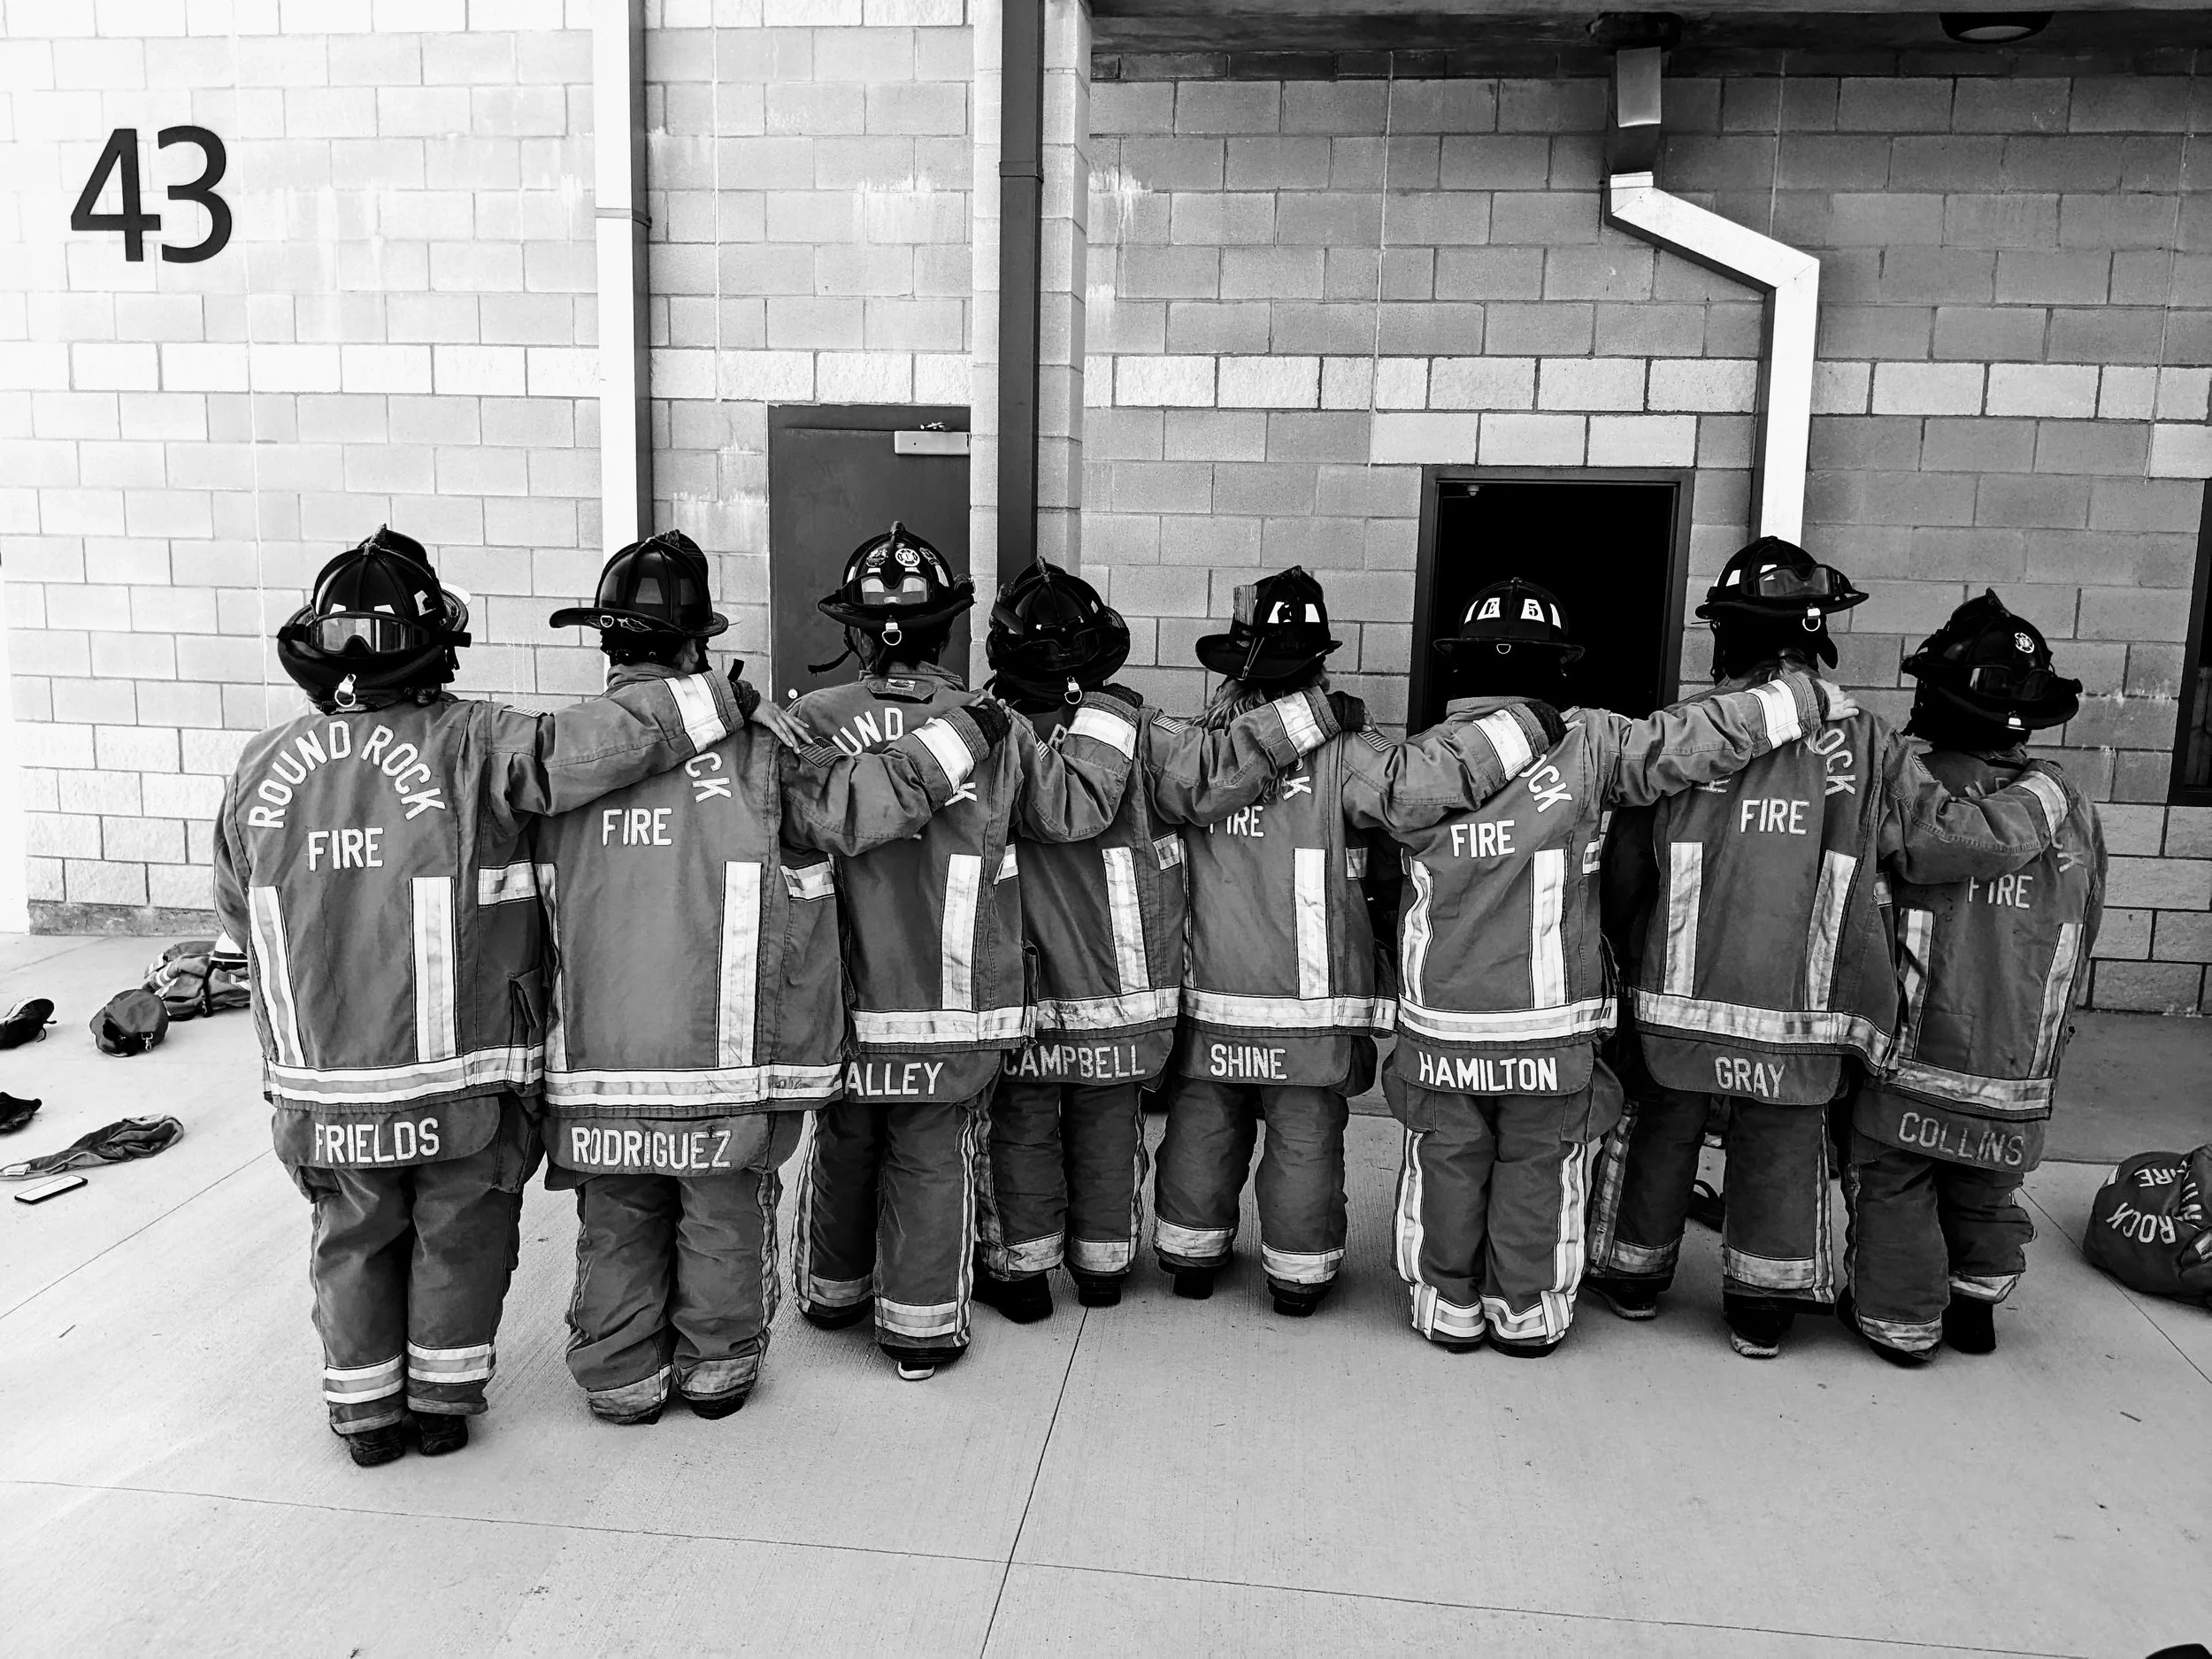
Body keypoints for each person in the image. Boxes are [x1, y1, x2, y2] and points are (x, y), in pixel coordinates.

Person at [211, 527, 757, 1466]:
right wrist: (718, 701)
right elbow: (590, 750)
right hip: (458, 1075)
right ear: (435, 646)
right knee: (458, 1228)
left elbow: (234, 905)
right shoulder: (474, 742)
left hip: (325, 1080)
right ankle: (440, 1404)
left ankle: (364, 1415)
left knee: (352, 1232)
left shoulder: (261, 767)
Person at [532, 532, 1010, 1424]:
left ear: (607, 642)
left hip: (597, 1058)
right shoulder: (760, 751)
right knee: (722, 1211)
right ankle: (717, 1370)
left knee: (617, 1213)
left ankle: (621, 1380)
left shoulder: (553, 758)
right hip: (720, 1058)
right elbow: (863, 805)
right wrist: (963, 735)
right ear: (696, 647)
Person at [1585, 537, 2072, 1359]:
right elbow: (1944, 844)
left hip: (1675, 1004)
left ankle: (1633, 1277)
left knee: (1661, 1126)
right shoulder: (1871, 744)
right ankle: (1760, 1308)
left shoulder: (1683, 733)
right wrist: (2046, 793)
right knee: (1782, 1144)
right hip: (1802, 1017)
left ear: (1727, 635)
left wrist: (1620, 965)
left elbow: (1628, 870)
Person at [1382, 577, 1855, 1356]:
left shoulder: (1415, 763)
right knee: (1539, 1163)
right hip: (1549, 1025)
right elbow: (1695, 738)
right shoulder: (1593, 743)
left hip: (1442, 1021)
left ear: (1460, 666)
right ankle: (1526, 1315)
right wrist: (1798, 699)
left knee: (1447, 1159)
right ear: (1560, 667)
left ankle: (1447, 1308)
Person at [1151, 567, 1565, 1317]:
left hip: (1211, 995)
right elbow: (1414, 792)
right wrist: (1526, 725)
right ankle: (1298, 1277)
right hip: (1311, 1008)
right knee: (1304, 1135)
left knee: (1203, 1122)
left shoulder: (1199, 745)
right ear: (1318, 665)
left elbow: (1176, 786)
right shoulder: (1346, 748)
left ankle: (1190, 1256)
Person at [787, 525, 1136, 1380]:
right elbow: (1075, 811)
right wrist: (1108, 710)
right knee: (932, 1154)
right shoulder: (993, 726)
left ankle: (833, 1294)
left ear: (854, 632)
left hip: (842, 1004)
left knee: (846, 1136)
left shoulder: (810, 723)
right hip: (952, 1004)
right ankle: (918, 1334)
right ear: (949, 629)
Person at [971, 560, 1345, 1323]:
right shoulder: (1140, 732)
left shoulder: (979, 735)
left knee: (1022, 1129)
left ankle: (1025, 1277)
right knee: (1108, 1129)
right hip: (1118, 989)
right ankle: (1103, 1272)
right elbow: (1217, 772)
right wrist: (1313, 715)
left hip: (1022, 987)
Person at [1839, 591, 2105, 1363]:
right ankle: (1976, 1305)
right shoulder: (2070, 806)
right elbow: (2088, 921)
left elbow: (1859, 911)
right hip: (2017, 1060)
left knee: (1895, 1178)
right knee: (1987, 1182)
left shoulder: (1910, 791)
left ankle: (1901, 1323)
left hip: (1916, 1054)